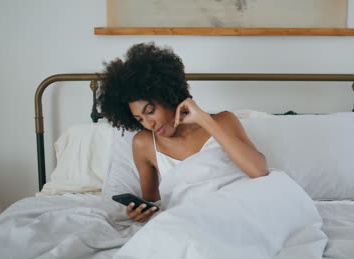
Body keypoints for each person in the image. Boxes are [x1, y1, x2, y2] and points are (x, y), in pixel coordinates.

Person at [98, 42, 268, 222]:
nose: (149, 124)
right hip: (191, 220)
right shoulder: (144, 144)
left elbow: (259, 171)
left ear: (167, 95)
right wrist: (141, 212)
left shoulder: (223, 121)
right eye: (139, 119)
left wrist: (204, 120)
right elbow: (152, 202)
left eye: (150, 111)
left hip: (239, 210)